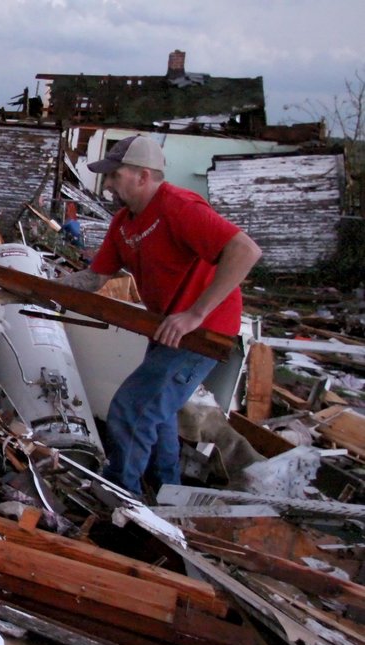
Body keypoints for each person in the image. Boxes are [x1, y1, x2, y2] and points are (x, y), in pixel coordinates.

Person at [59, 135, 262, 497]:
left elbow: (245, 250)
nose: (107, 184)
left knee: (132, 409)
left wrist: (196, 314)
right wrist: (41, 285)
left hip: (203, 333)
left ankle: (121, 495)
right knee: (159, 413)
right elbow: (95, 278)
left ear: (143, 176)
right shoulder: (124, 222)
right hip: (167, 329)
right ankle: (169, 493)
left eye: (114, 175)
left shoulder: (179, 207)